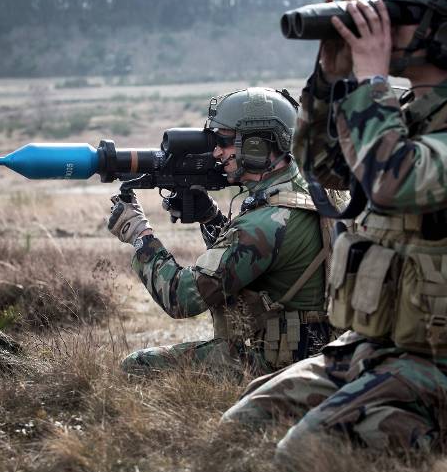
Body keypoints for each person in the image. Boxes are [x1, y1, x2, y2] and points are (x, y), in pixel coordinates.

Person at [222, 0, 447, 458]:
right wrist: (332, 79)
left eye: (400, 14)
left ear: (446, 32)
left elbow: (397, 183)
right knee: (241, 429)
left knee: (305, 453)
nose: (383, 26)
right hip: (372, 346)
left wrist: (371, 84)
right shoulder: (404, 114)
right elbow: (323, 169)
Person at [106, 87, 334, 377]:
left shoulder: (266, 222)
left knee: (136, 366)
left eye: (224, 142)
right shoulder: (310, 192)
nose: (216, 152)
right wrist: (210, 217)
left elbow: (181, 297)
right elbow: (248, 262)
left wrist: (139, 234)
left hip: (277, 364)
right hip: (322, 351)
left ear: (257, 145)